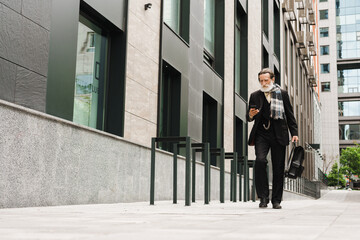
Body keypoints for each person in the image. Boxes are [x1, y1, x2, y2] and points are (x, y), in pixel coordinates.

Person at [247, 68, 298, 209]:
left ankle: (276, 200)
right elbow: (248, 117)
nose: (263, 83)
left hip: (278, 135)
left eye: (266, 80)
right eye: (261, 81)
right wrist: (251, 114)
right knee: (260, 161)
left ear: (273, 79)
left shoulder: (282, 94)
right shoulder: (255, 95)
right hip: (261, 134)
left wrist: (294, 132)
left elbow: (289, 114)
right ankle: (263, 197)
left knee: (278, 167)